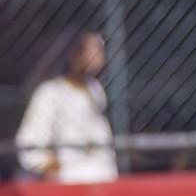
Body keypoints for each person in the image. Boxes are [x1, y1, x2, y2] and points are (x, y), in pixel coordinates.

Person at [14, 30, 118, 184]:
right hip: (64, 181)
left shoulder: (96, 91)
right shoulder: (50, 93)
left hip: (99, 179)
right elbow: (29, 141)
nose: (96, 56)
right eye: (89, 50)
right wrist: (50, 166)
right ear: (73, 54)